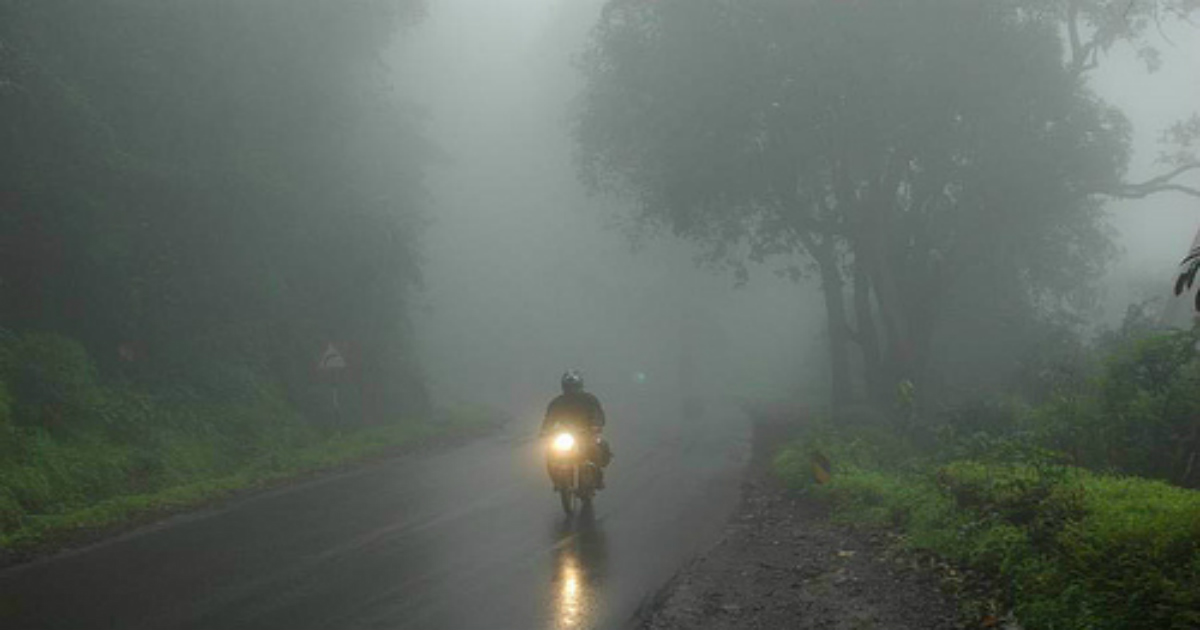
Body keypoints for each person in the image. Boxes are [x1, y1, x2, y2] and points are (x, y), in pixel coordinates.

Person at [540, 370, 612, 489]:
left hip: (586, 432)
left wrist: (596, 425)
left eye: (574, 386)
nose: (571, 389)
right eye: (568, 386)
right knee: (551, 455)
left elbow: (598, 413)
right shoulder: (557, 402)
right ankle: (557, 481)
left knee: (595, 449)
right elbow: (549, 418)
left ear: (580, 385)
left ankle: (597, 475)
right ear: (564, 387)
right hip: (565, 434)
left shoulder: (589, 399)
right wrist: (545, 430)